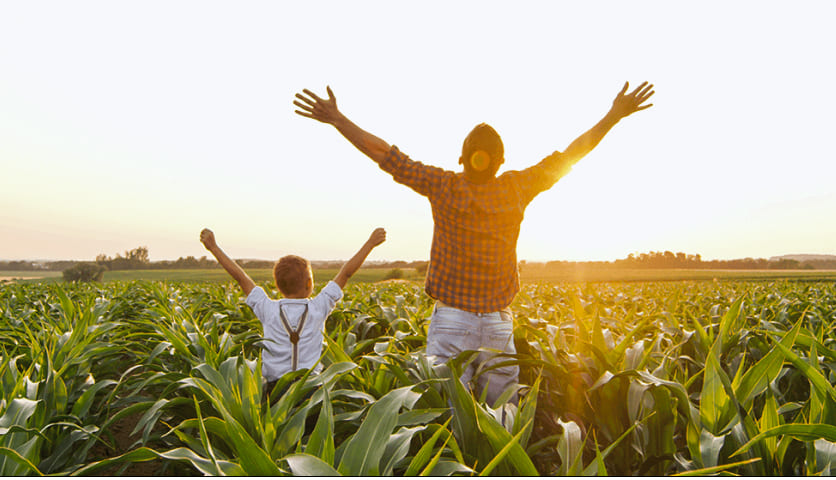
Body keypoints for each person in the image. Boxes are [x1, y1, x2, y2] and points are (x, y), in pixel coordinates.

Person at [293, 82, 654, 406]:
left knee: (450, 416)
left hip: (451, 320)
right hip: (498, 323)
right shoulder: (517, 187)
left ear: (462, 159)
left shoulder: (442, 185)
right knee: (502, 416)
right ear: (501, 162)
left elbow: (385, 155)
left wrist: (338, 119)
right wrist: (613, 116)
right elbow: (570, 155)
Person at [199, 227, 387, 398]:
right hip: (311, 389)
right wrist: (370, 243)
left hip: (275, 390)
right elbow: (346, 273)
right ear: (309, 283)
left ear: (277, 285)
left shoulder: (268, 309)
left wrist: (214, 248)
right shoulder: (319, 306)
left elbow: (241, 278)